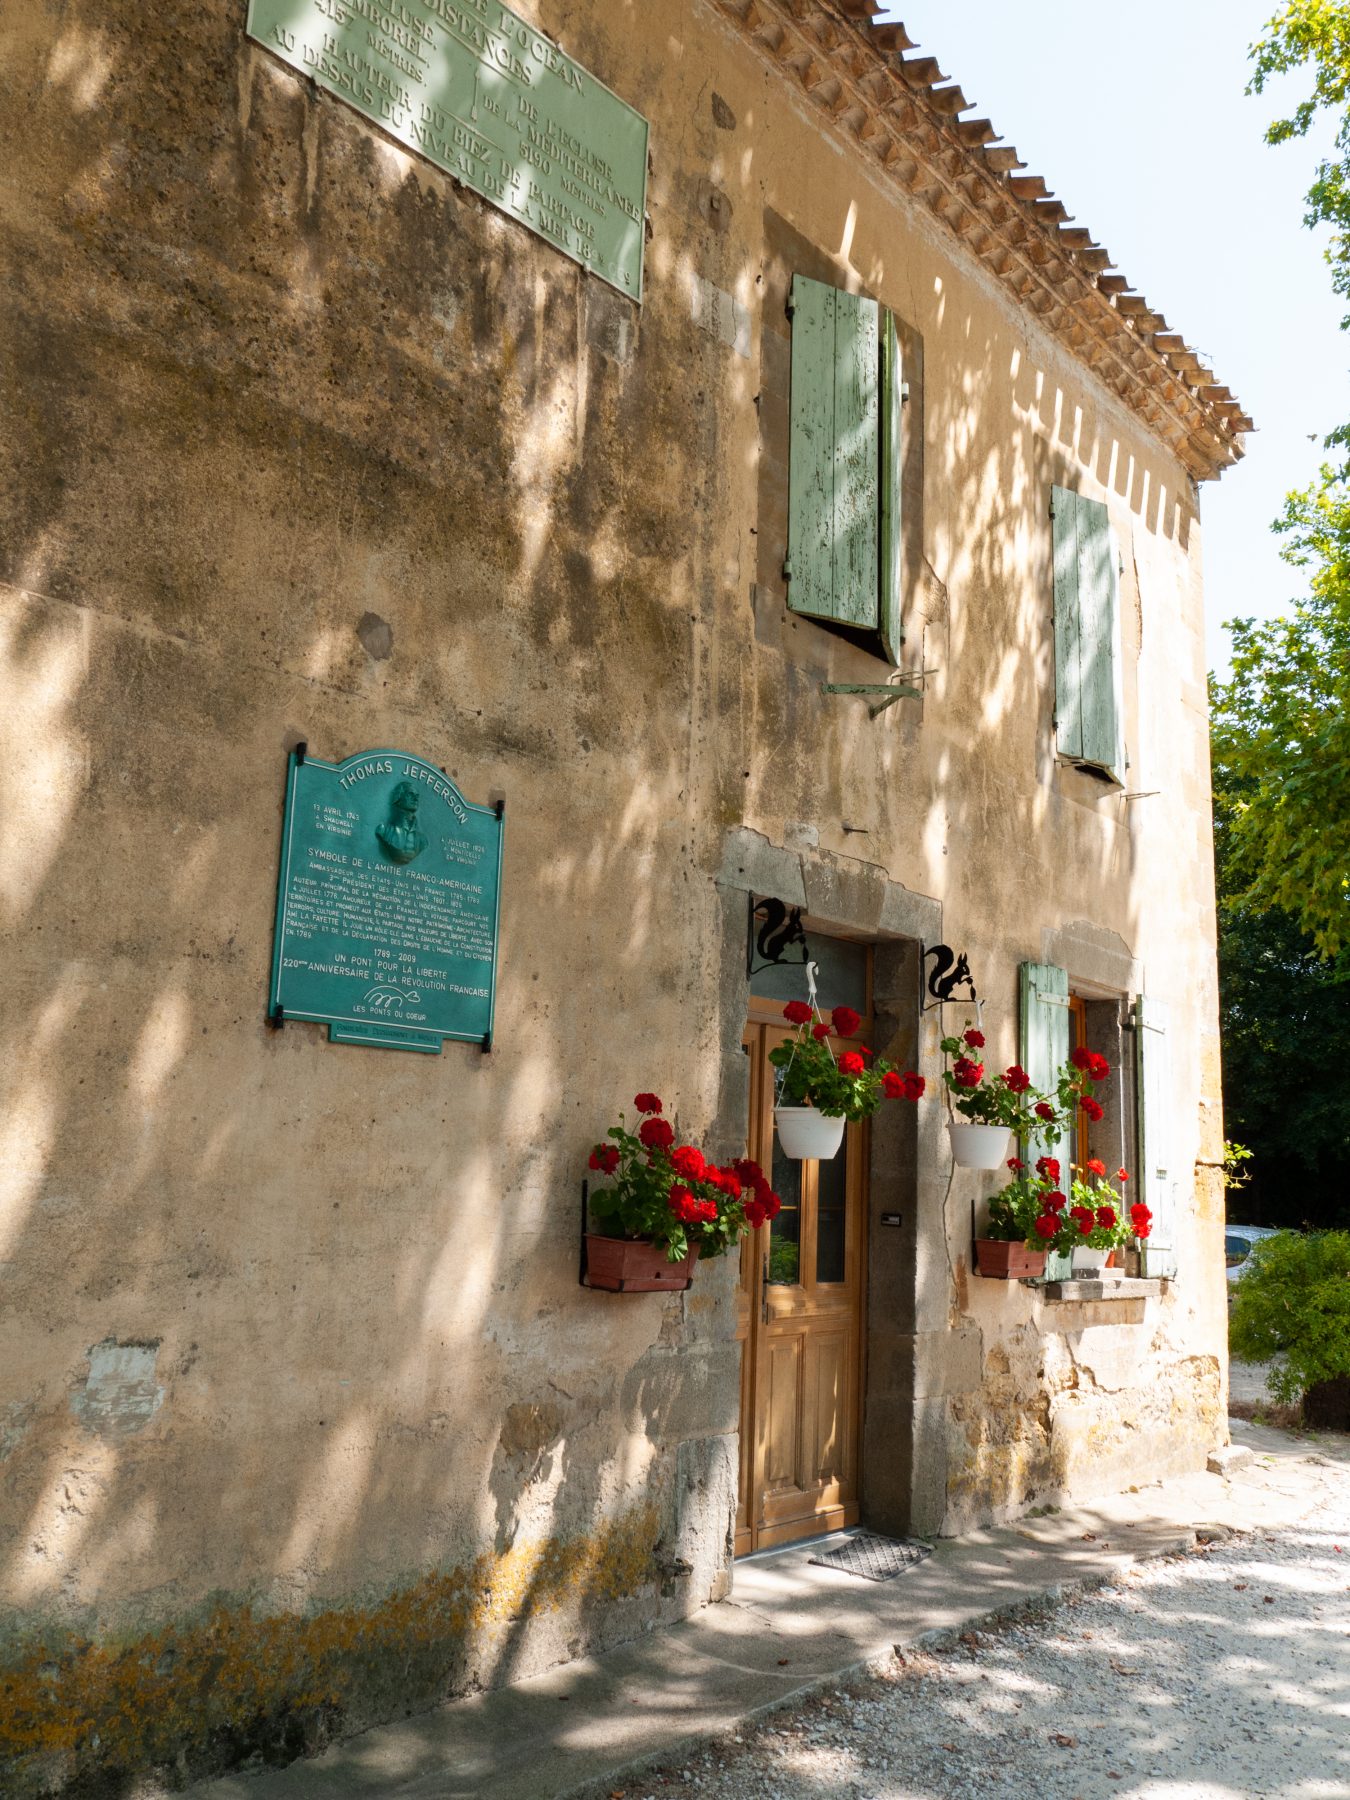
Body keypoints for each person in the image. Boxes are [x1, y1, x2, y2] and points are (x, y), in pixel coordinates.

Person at [375, 781, 427, 865]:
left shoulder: (423, 840)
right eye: (410, 794)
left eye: (417, 796)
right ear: (399, 797)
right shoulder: (383, 830)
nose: (415, 799)